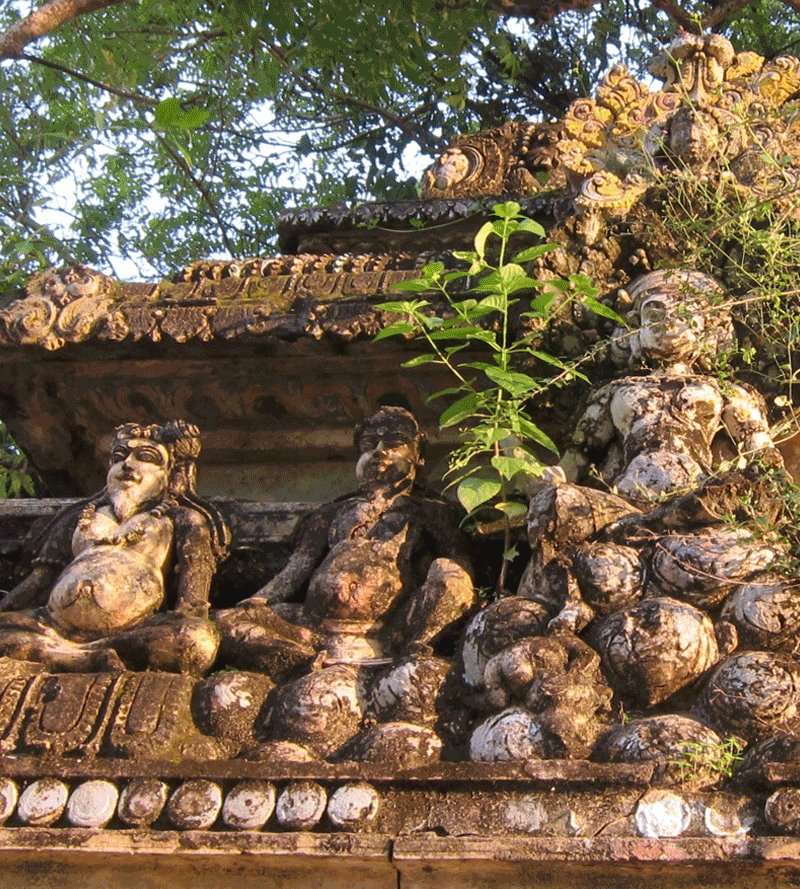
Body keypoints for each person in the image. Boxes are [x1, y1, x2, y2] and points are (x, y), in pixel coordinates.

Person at [215, 406, 475, 676]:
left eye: (395, 443)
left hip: (392, 627)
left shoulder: (430, 511)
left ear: (418, 455)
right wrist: (261, 600)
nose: (380, 451)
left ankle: (411, 648)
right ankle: (299, 658)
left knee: (452, 577)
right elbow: (299, 565)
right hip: (315, 626)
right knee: (225, 622)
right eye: (369, 444)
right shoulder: (332, 512)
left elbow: (458, 567)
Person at [0, 420, 229, 674]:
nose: (127, 464)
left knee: (197, 639)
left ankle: (78, 653)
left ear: (171, 474)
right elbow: (40, 580)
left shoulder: (182, 519)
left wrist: (191, 612)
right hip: (53, 626)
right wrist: (6, 607)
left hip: (136, 628)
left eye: (146, 457)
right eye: (119, 457)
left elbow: (193, 590)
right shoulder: (77, 519)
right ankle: (77, 657)